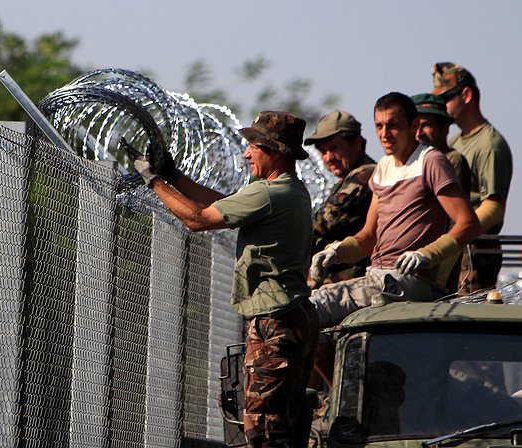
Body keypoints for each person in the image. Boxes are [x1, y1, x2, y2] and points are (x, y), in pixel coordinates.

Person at [124, 111, 319, 448]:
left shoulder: (270, 193)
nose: (246, 154)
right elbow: (223, 204)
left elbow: (198, 219)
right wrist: (174, 177)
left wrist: (153, 181)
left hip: (275, 324)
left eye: (253, 147)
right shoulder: (289, 191)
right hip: (292, 317)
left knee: (264, 429)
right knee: (287, 424)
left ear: (273, 150)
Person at [309, 93, 480, 384]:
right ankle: (342, 394)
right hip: (379, 277)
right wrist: (337, 251)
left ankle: (342, 397)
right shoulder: (383, 169)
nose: (385, 134)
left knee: (307, 309)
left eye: (393, 125)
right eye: (379, 126)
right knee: (312, 325)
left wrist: (428, 254)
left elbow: (468, 223)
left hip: (411, 281)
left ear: (413, 125)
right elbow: (367, 237)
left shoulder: (430, 161)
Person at [431, 62, 513, 293]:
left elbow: (494, 208)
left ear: (466, 95)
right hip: (454, 247)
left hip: (474, 252)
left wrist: (455, 236)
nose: (441, 106)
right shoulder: (457, 142)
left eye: (446, 98)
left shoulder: (489, 143)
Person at [304, 110, 376, 286]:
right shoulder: (351, 178)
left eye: (334, 148)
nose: (328, 157)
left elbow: (323, 222)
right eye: (323, 151)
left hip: (351, 282)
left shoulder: (364, 176)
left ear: (357, 144)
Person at [411, 92, 473, 291]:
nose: (419, 132)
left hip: (432, 272)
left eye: (426, 125)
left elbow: (457, 224)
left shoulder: (449, 160)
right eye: (415, 125)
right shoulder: (412, 161)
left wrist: (439, 277)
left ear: (444, 128)